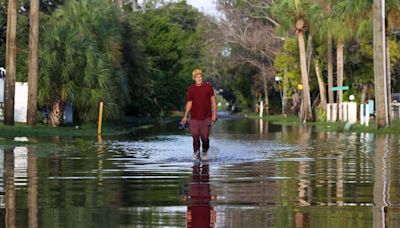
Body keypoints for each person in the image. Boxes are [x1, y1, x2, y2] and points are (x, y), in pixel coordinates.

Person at [181, 68, 217, 160]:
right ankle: (196, 153)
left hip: (206, 117)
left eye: (200, 76)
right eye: (197, 77)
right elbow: (189, 102)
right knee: (195, 137)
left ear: (202, 77)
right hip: (194, 118)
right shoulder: (191, 89)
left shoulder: (208, 87)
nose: (199, 79)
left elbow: (213, 100)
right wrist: (185, 116)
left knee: (205, 138)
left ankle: (204, 152)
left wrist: (214, 114)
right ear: (194, 78)